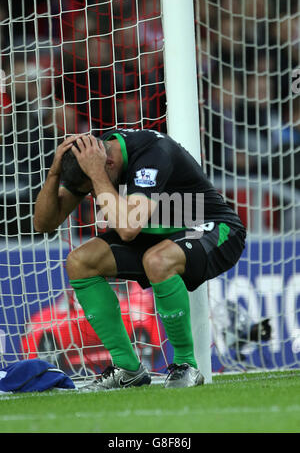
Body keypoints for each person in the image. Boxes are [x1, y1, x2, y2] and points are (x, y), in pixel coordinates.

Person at [33, 128, 246, 389]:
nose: (93, 195)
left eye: (93, 188)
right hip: (155, 234)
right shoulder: (93, 157)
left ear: (108, 163)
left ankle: (185, 365)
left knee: (157, 260)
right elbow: (43, 223)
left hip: (210, 228)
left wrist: (97, 174)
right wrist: (54, 173)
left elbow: (128, 228)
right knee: (80, 262)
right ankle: (128, 368)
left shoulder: (150, 154)